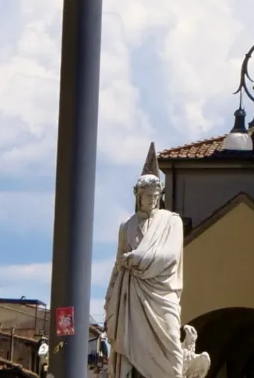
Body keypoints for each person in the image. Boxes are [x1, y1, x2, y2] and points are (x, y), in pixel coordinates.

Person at [104, 151, 185, 378]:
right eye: (148, 195)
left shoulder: (172, 222)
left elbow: (170, 256)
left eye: (156, 195)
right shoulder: (126, 226)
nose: (152, 200)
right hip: (131, 295)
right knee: (131, 346)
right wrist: (110, 296)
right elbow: (118, 263)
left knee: (170, 339)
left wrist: (137, 258)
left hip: (161, 294)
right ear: (138, 196)